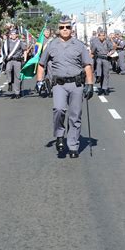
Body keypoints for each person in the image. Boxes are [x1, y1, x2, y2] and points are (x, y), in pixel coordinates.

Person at [36, 16, 94, 159]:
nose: (65, 29)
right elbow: (42, 64)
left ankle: (73, 145)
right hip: (59, 85)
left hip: (76, 84)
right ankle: (60, 135)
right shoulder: (51, 45)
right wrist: (39, 81)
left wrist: (90, 84)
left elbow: (87, 65)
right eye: (62, 27)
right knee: (59, 109)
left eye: (67, 27)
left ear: (71, 29)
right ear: (58, 29)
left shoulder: (79, 45)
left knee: (75, 116)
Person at [4, 29, 27, 99]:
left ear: (17, 35)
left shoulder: (20, 42)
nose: (13, 35)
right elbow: (4, 50)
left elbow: (25, 50)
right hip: (10, 60)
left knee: (18, 76)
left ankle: (17, 92)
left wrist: (25, 60)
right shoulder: (7, 42)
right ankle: (10, 82)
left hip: (17, 60)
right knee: (8, 70)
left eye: (14, 34)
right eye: (12, 34)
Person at [90, 30, 114, 96]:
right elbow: (92, 52)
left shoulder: (108, 42)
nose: (101, 37)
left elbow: (112, 49)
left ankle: (104, 88)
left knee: (105, 74)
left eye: (103, 35)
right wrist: (89, 60)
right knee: (98, 64)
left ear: (105, 36)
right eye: (100, 35)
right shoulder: (95, 42)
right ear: (98, 36)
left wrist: (110, 52)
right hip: (99, 58)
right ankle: (98, 76)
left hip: (106, 58)